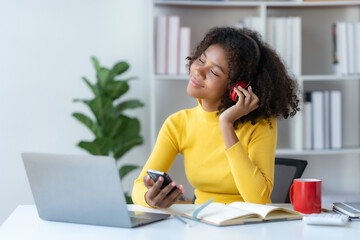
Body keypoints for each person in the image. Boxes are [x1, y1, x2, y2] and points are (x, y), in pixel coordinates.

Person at [132, 27, 300, 208]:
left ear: (238, 87)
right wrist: (148, 197)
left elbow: (257, 199)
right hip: (202, 221)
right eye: (201, 60)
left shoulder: (260, 125)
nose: (198, 71)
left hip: (251, 224)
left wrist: (226, 124)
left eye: (214, 72)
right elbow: (138, 186)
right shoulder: (178, 124)